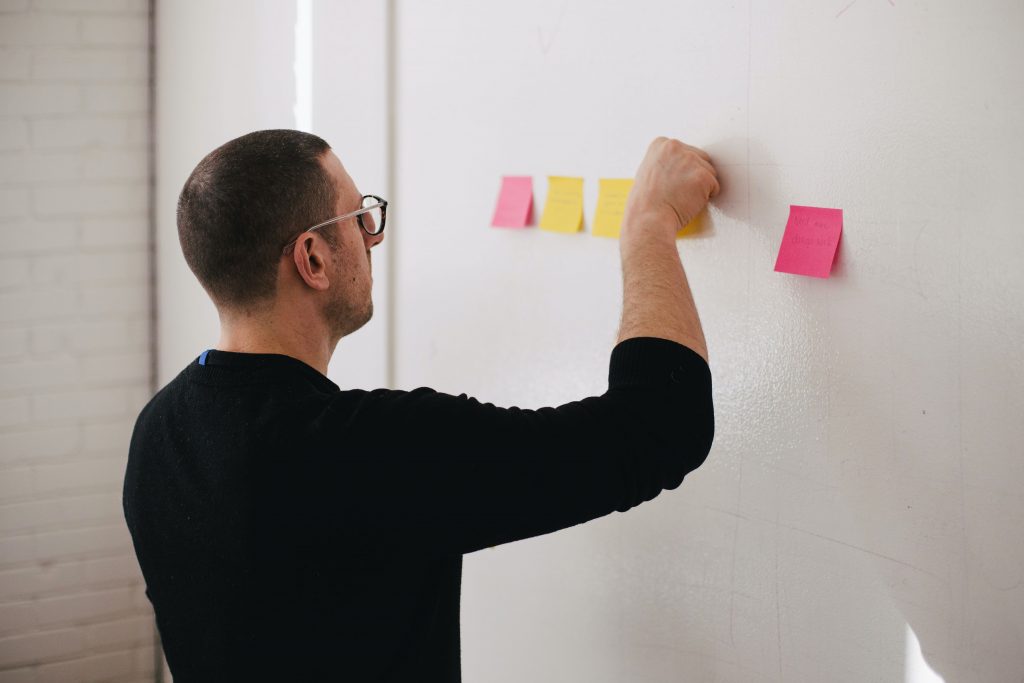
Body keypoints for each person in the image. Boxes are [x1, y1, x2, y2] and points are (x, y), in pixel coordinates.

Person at [123, 129, 720, 682]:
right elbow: (659, 425)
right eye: (361, 220)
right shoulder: (367, 452)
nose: (372, 236)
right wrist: (648, 222)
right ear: (313, 258)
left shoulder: (158, 432)